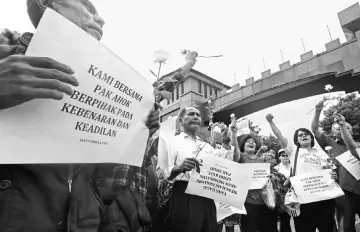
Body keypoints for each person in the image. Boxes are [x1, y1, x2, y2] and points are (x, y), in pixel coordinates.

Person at [0, 1, 160, 231]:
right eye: (88, 7)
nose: (100, 19)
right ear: (47, 3)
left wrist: (135, 134)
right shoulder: (5, 51)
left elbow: (104, 187)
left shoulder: (102, 87)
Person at [159, 106, 238, 232]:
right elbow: (163, 173)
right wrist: (179, 168)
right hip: (185, 194)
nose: (196, 117)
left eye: (198, 115)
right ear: (181, 121)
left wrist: (226, 141)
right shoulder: (172, 142)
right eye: (191, 114)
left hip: (208, 195)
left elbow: (227, 162)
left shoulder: (205, 146)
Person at [266, 113, 337, 232]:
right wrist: (270, 122)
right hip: (303, 201)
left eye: (306, 134)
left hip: (324, 199)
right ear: (296, 140)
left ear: (311, 137)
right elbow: (280, 136)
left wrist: (333, 176)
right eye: (300, 135)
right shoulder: (293, 152)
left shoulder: (321, 153)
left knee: (327, 228)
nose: (304, 136)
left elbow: (328, 171)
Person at [311, 100, 360, 232]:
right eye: (338, 128)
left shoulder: (358, 146)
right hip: (343, 191)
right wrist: (317, 111)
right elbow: (315, 130)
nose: (343, 129)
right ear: (333, 132)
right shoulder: (330, 143)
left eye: (346, 128)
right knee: (346, 226)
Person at [234, 134, 278, 232]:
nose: (251, 142)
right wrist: (233, 133)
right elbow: (235, 149)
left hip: (265, 202)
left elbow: (267, 178)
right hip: (248, 203)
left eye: (253, 142)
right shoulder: (240, 157)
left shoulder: (261, 160)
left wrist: (271, 177)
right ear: (242, 145)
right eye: (248, 141)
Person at [273, 149, 292, 232]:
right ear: (279, 157)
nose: (285, 157)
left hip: (297, 196)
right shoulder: (276, 168)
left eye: (287, 155)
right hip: (282, 199)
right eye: (283, 155)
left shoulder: (295, 167)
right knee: (285, 221)